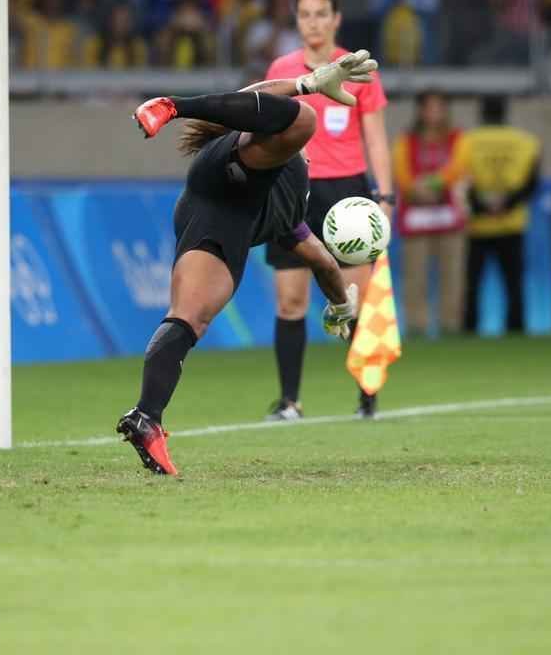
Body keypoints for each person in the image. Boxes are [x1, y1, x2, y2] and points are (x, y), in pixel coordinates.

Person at [116, 50, 379, 476]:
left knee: (189, 319)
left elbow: (323, 262)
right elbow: (253, 98)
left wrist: (341, 308)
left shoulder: (289, 208)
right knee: (304, 117)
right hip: (226, 177)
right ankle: (170, 105)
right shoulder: (281, 155)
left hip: (217, 218)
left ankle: (147, 418)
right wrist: (307, 82)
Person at [260, 0, 392, 423]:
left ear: (336, 20)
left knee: (354, 300)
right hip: (292, 189)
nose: (312, 22)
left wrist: (385, 195)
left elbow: (374, 134)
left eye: (321, 14)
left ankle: (367, 394)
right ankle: (289, 401)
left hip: (348, 194)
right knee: (290, 302)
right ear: (297, 21)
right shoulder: (282, 69)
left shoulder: (356, 68)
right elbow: (265, 126)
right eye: (304, 14)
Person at [393, 89, 469, 338]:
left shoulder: (458, 138)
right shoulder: (407, 141)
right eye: (429, 107)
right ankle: (417, 326)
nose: (434, 113)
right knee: (415, 277)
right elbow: (401, 173)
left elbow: (458, 166)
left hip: (450, 217)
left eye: (439, 107)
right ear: (420, 111)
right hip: (416, 219)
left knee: (453, 276)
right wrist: (417, 190)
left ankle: (451, 326)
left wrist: (434, 184)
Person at [463, 95, 540, 335]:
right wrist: (506, 204)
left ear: (482, 113)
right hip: (513, 223)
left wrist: (483, 207)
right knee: (513, 283)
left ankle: (469, 330)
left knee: (473, 284)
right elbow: (532, 183)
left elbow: (460, 179)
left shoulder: (467, 141)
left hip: (477, 224)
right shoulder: (527, 142)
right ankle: (516, 330)